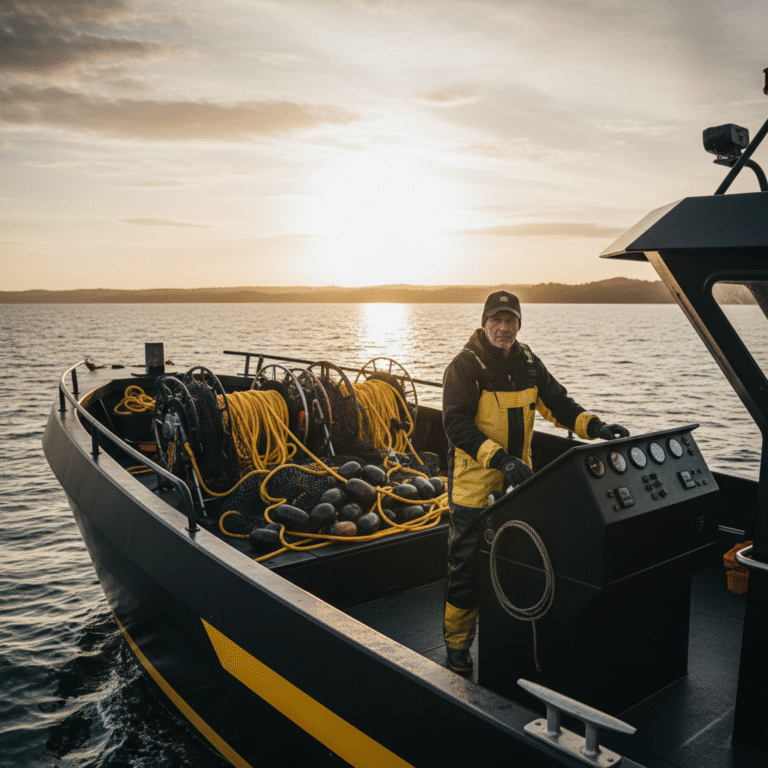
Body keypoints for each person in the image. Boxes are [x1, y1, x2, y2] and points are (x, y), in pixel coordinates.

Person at [441, 290, 629, 674]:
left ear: (519, 324)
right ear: (484, 323)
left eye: (511, 321)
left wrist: (596, 427)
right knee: (466, 571)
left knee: (518, 562)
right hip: (474, 487)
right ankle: (457, 646)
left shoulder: (528, 363)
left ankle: (513, 642)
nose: (504, 328)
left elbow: (559, 404)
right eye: (497, 320)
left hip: (517, 486)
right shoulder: (465, 365)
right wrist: (500, 459)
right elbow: (456, 425)